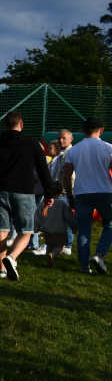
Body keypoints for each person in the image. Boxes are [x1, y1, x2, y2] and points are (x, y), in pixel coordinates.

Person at [0, 111, 54, 281]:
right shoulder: (32, 144)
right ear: (21, 124)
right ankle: (12, 258)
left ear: (4, 125)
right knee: (27, 231)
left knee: (1, 230)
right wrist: (49, 194)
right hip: (24, 192)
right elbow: (43, 171)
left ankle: (1, 269)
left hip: (0, 191)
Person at [62, 116, 112, 274]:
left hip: (82, 192)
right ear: (101, 130)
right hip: (105, 191)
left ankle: (84, 265)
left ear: (82, 131)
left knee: (84, 229)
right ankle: (99, 254)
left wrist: (69, 196)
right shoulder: (109, 148)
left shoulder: (74, 149)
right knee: (109, 225)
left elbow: (66, 175)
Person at [34, 181, 78, 269]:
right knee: (60, 246)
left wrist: (35, 228)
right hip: (58, 231)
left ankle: (48, 258)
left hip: (46, 230)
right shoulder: (61, 204)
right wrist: (74, 225)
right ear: (60, 193)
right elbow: (69, 216)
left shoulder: (43, 204)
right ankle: (52, 255)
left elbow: (36, 217)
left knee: (49, 245)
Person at [49, 128, 76, 255]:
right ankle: (59, 244)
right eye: (59, 137)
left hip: (64, 192)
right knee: (57, 218)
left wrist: (65, 190)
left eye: (63, 138)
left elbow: (71, 176)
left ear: (71, 139)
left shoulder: (71, 152)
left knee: (66, 219)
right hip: (57, 191)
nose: (60, 140)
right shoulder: (61, 153)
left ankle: (68, 245)